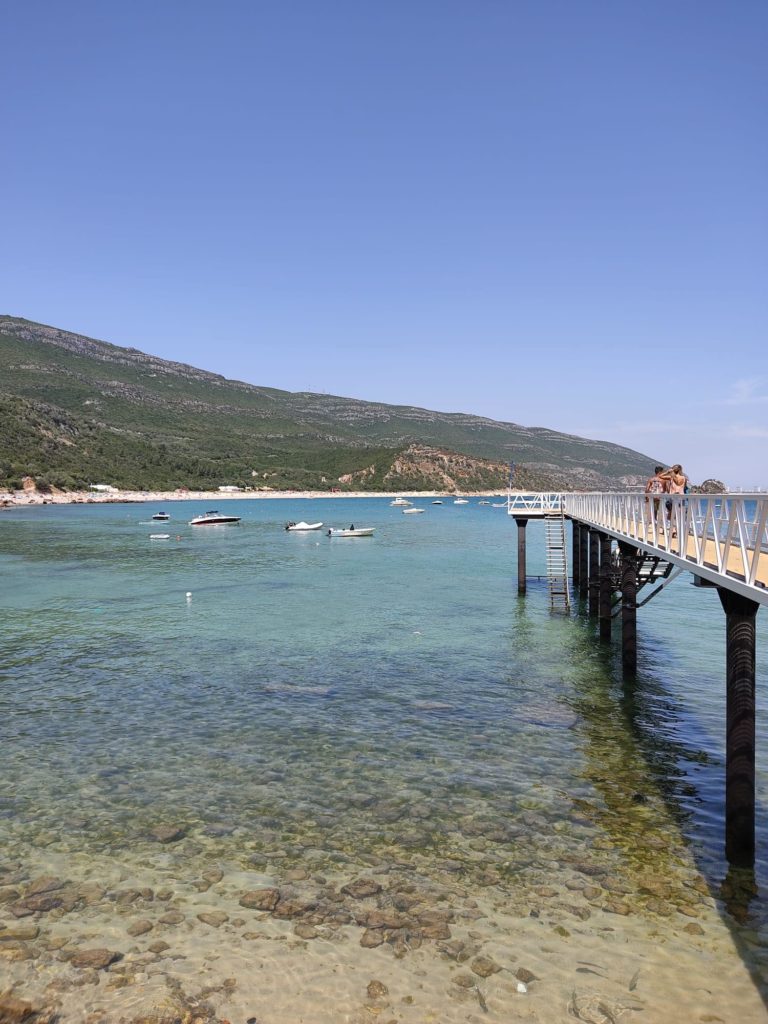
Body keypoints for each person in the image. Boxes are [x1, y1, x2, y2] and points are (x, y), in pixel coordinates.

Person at [661, 464, 689, 537]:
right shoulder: (673, 477)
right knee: (674, 515)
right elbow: (660, 476)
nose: (672, 470)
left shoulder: (682, 478)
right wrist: (667, 472)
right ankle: (673, 530)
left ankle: (675, 530)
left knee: (674, 515)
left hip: (677, 497)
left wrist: (671, 474)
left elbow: (678, 482)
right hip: (677, 497)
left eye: (673, 469)